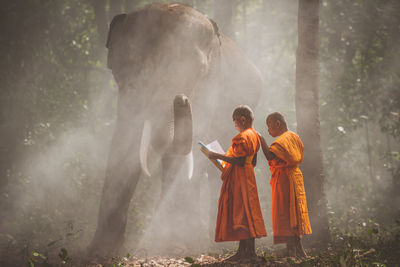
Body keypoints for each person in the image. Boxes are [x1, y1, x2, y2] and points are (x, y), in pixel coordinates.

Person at [203, 105, 267, 262]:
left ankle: (248, 253)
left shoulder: (243, 137)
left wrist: (215, 155)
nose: (235, 126)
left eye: (235, 122)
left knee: (242, 212)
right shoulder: (255, 135)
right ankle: (244, 251)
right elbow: (253, 162)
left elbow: (239, 161)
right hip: (248, 176)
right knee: (247, 212)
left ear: (242, 119)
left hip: (240, 179)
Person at [258, 112, 312, 258]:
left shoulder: (283, 140)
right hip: (294, 177)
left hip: (286, 180)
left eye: (269, 126)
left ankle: (297, 250)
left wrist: (261, 140)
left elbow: (270, 156)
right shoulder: (294, 136)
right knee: (293, 213)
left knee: (289, 214)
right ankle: (293, 249)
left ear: (277, 123)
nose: (268, 130)